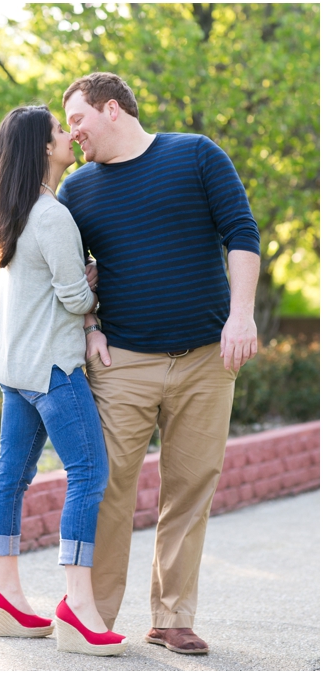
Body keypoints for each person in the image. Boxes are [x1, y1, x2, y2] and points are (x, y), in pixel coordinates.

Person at [59, 72, 260, 655]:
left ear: (112, 109)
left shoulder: (196, 154)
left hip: (205, 357)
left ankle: (172, 616)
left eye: (78, 120)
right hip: (122, 362)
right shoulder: (77, 190)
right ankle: (92, 614)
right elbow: (70, 278)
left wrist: (240, 317)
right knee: (108, 487)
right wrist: (91, 327)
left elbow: (242, 234)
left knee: (191, 487)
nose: (73, 135)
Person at [0, 105, 127, 657]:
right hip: (52, 369)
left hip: (14, 370)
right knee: (89, 473)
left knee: (10, 478)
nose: (70, 136)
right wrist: (92, 289)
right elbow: (72, 299)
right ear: (44, 147)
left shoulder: (12, 209)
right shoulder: (52, 215)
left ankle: (6, 595)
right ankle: (78, 607)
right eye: (61, 131)